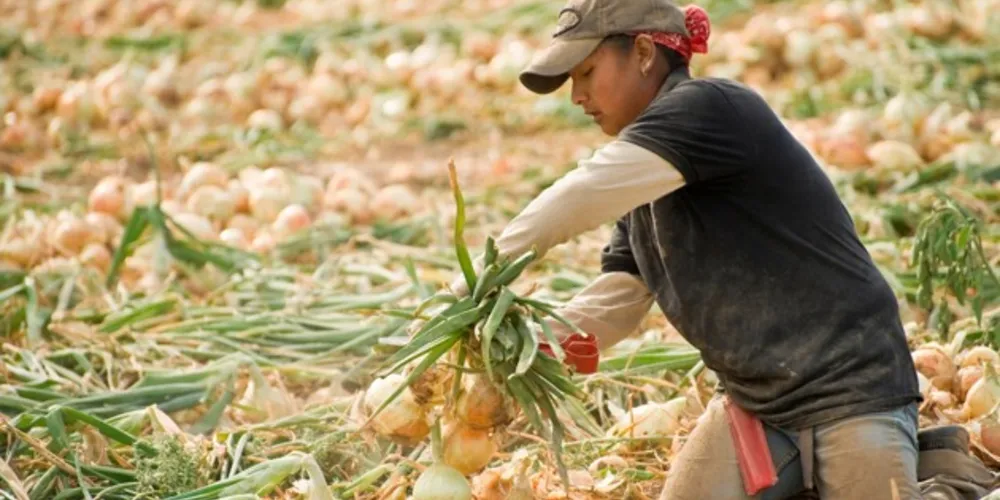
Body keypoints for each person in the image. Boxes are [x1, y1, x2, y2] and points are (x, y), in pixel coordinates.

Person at [450, 0, 998, 498]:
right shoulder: (645, 188)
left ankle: (948, 483)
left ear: (643, 53)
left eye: (587, 72)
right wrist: (524, 348)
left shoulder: (710, 109)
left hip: (848, 388)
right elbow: (618, 299)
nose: (578, 97)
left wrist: (476, 279)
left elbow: (581, 193)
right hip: (758, 406)